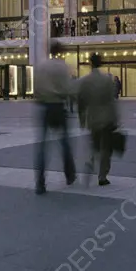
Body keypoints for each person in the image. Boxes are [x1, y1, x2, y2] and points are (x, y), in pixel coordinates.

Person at [33, 40, 76, 194]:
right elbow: (67, 89)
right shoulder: (62, 67)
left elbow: (36, 88)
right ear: (61, 51)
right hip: (58, 106)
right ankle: (69, 174)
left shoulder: (42, 66)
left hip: (44, 106)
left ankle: (40, 181)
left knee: (43, 146)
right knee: (64, 142)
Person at [77, 53, 118, 186]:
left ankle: (90, 161)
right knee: (106, 148)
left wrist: (82, 118)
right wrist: (115, 118)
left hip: (92, 118)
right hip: (106, 118)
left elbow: (81, 101)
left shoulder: (85, 80)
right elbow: (111, 101)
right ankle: (102, 176)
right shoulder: (106, 80)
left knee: (94, 145)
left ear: (90, 63)